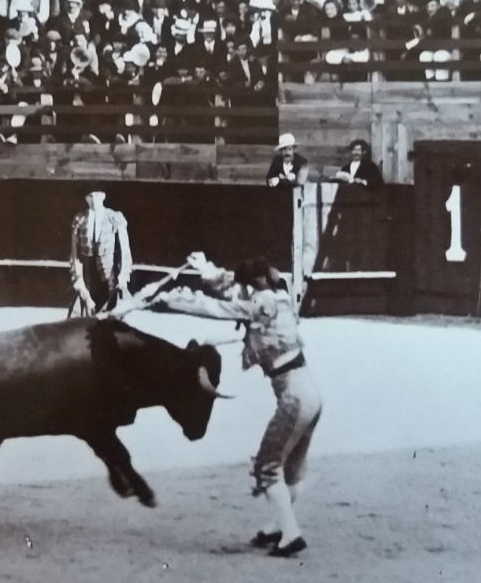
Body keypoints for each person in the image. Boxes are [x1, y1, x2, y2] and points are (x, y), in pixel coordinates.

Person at [146, 253, 322, 558]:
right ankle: (277, 527)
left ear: (253, 285)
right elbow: (233, 291)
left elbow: (218, 307)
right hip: (312, 394)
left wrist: (169, 301)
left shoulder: (258, 305)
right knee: (290, 472)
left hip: (293, 398)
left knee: (268, 467)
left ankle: (291, 534)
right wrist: (206, 269)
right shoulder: (280, 297)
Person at [68, 189, 133, 317]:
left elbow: (125, 250)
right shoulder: (80, 219)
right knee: (86, 316)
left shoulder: (114, 217)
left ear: (103, 196)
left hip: (110, 274)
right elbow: (74, 254)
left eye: (97, 195)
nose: (94, 199)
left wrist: (123, 276)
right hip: (88, 275)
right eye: (91, 196)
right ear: (86, 198)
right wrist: (80, 284)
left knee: (113, 315)